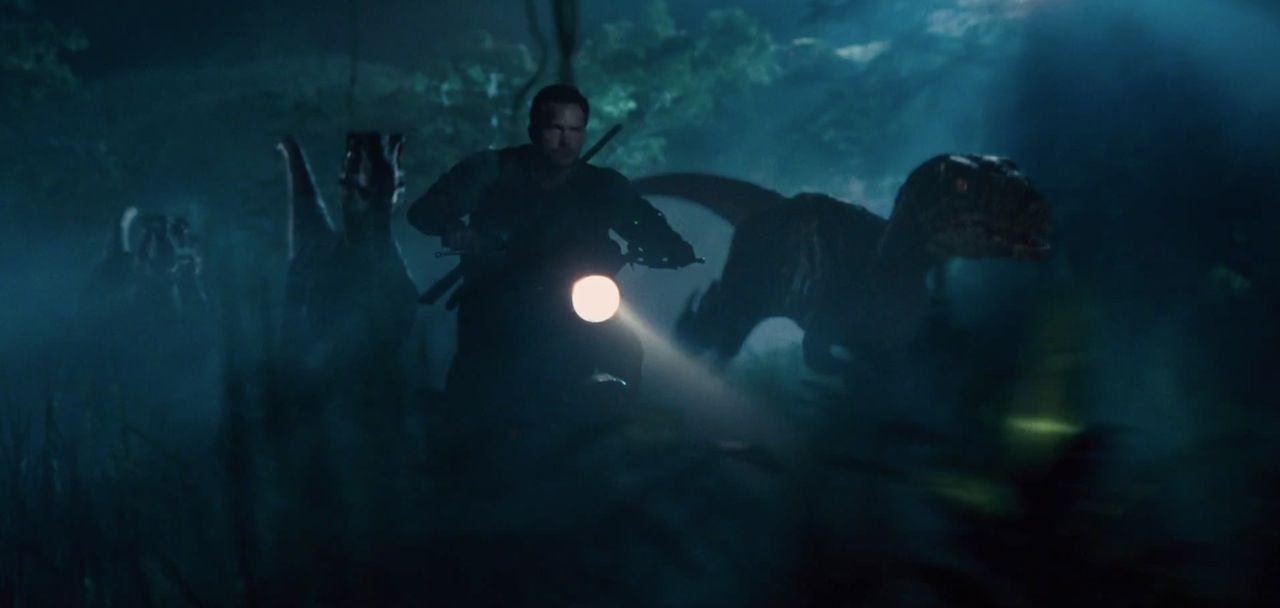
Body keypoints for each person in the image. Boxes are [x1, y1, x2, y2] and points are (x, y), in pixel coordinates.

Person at [408, 84, 697, 402]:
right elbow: (426, 210)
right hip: (501, 293)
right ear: (534, 130)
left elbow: (643, 222)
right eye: (555, 129)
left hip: (578, 298)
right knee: (477, 376)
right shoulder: (492, 170)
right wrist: (454, 228)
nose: (565, 140)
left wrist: (671, 247)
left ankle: (612, 421)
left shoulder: (602, 185)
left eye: (575, 130)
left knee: (624, 350)